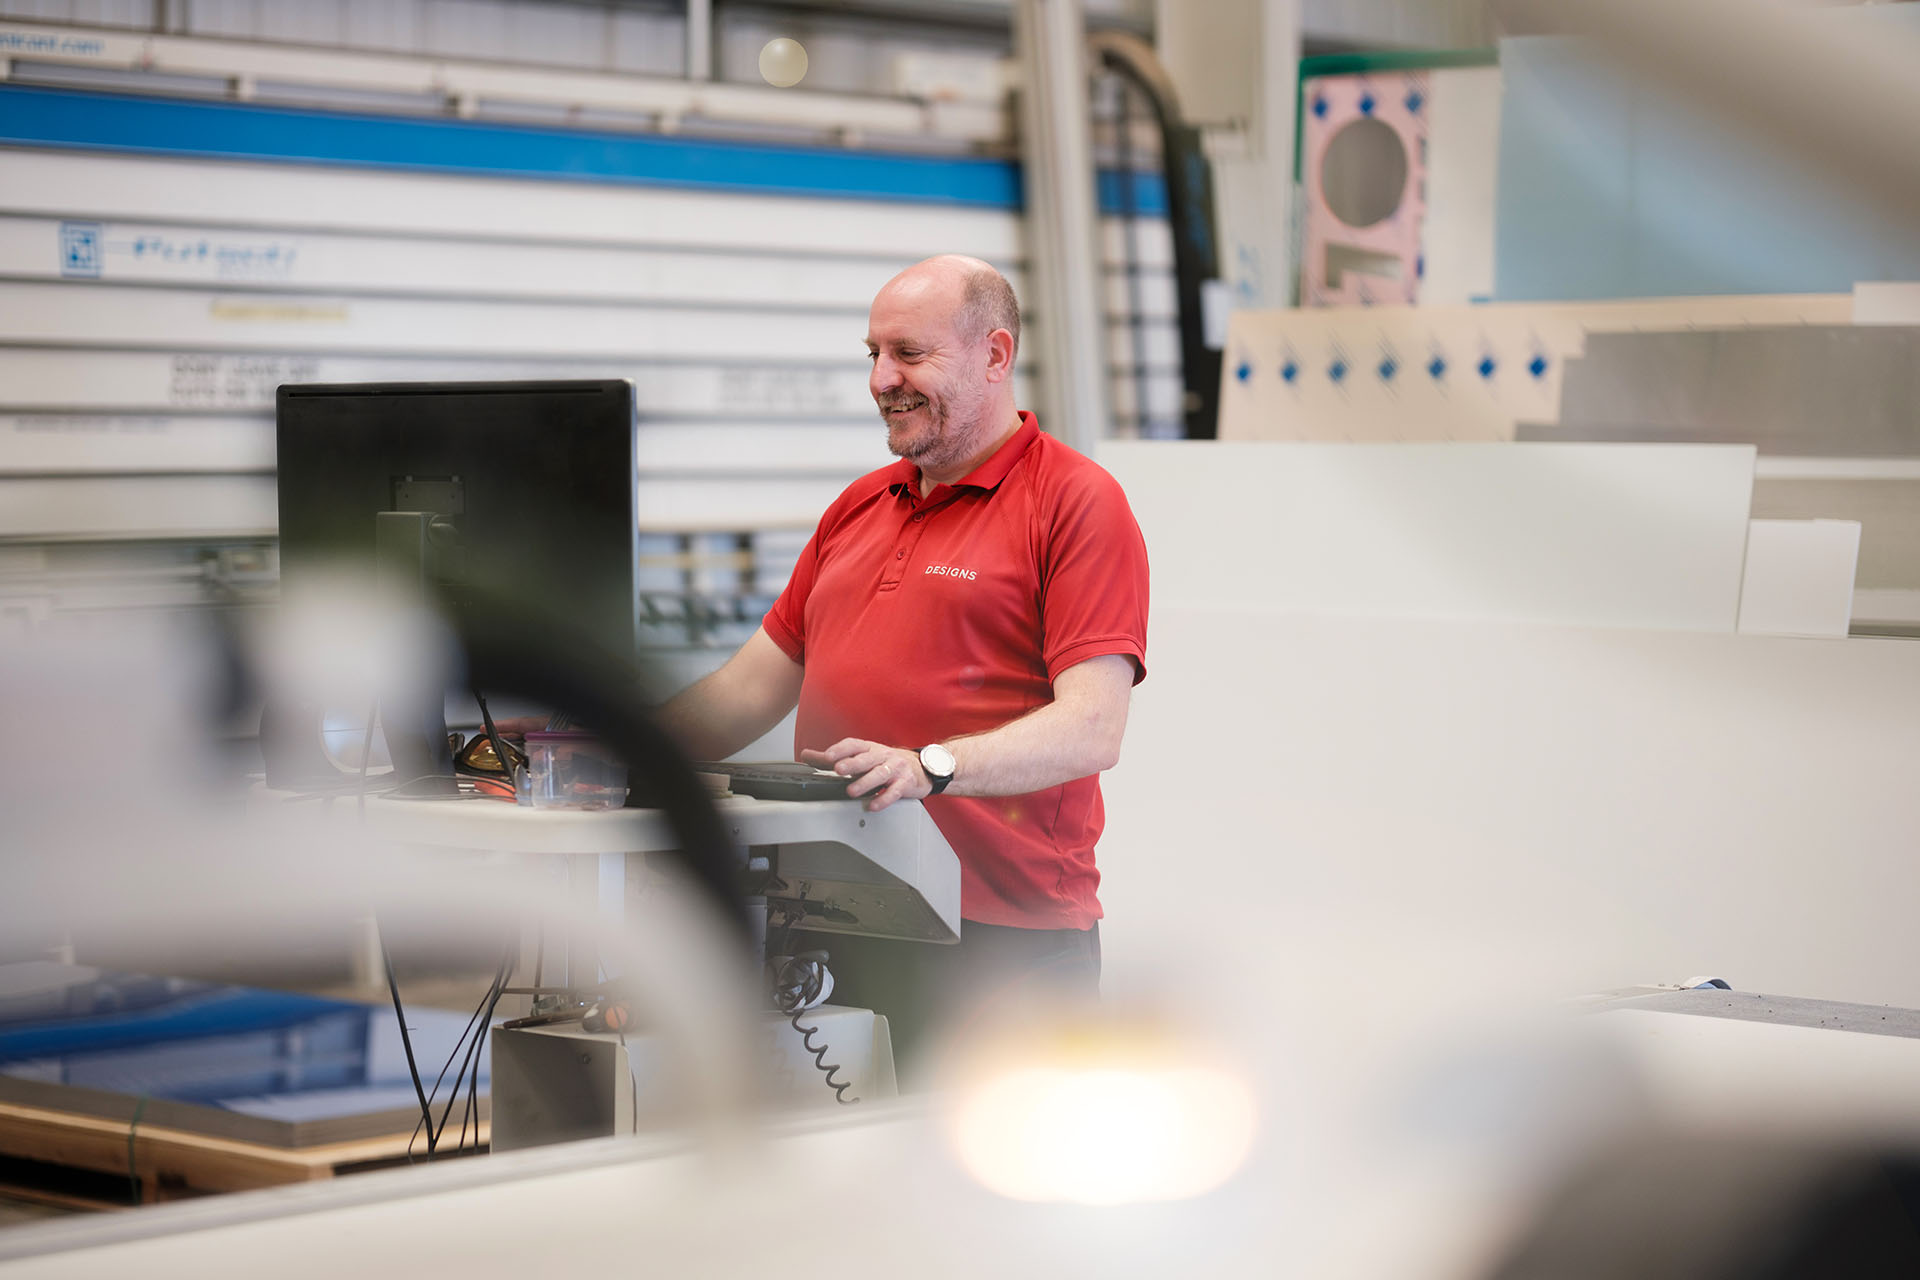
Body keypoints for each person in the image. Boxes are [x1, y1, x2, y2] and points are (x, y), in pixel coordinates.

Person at [656, 254, 1150, 1077]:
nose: (884, 379)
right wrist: (603, 740)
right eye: (873, 354)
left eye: (910, 354)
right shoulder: (859, 505)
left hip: (1000, 942)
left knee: (988, 1196)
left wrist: (930, 767)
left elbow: (1093, 726)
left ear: (995, 355)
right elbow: (748, 690)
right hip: (830, 920)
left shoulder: (1074, 502)